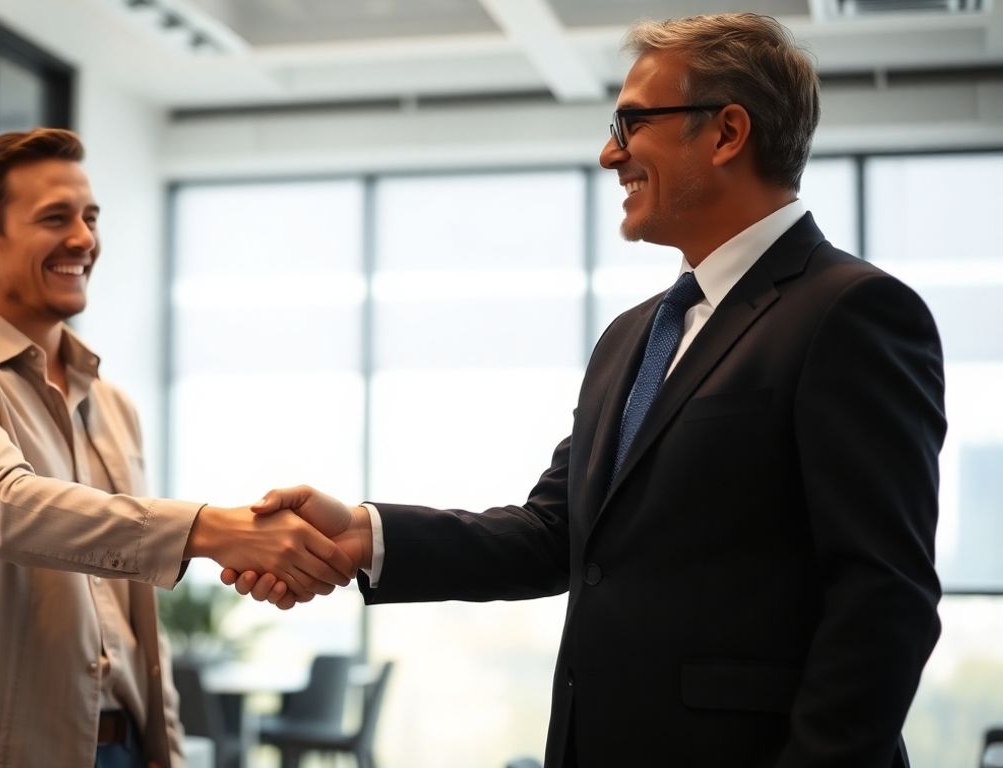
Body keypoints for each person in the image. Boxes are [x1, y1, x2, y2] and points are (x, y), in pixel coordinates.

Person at [224, 13, 947, 768]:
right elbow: (554, 535)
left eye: (632, 122)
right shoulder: (633, 337)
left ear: (728, 133)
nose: (610, 153)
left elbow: (882, 598)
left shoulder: (851, 312)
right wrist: (366, 534)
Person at [0, 128, 354, 768]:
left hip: (121, 749)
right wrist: (214, 530)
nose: (83, 239)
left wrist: (166, 749)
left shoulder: (112, 402)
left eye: (90, 217)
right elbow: (9, 509)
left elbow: (134, 612)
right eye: (54, 218)